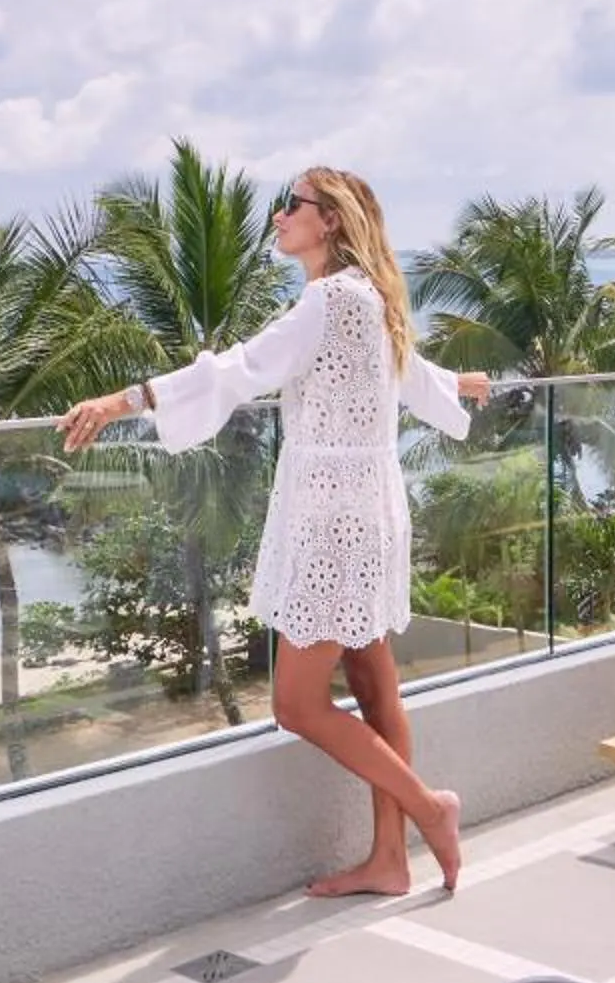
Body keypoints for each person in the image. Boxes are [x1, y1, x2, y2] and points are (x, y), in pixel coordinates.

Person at [61, 167, 492, 895]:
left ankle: (428, 809)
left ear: (330, 221)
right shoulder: (372, 299)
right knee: (373, 682)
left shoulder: (328, 301)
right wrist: (458, 386)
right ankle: (390, 860)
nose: (278, 218)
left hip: (330, 514)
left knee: (296, 704)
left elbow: (238, 370)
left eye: (291, 205)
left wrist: (123, 400)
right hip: (373, 506)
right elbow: (409, 374)